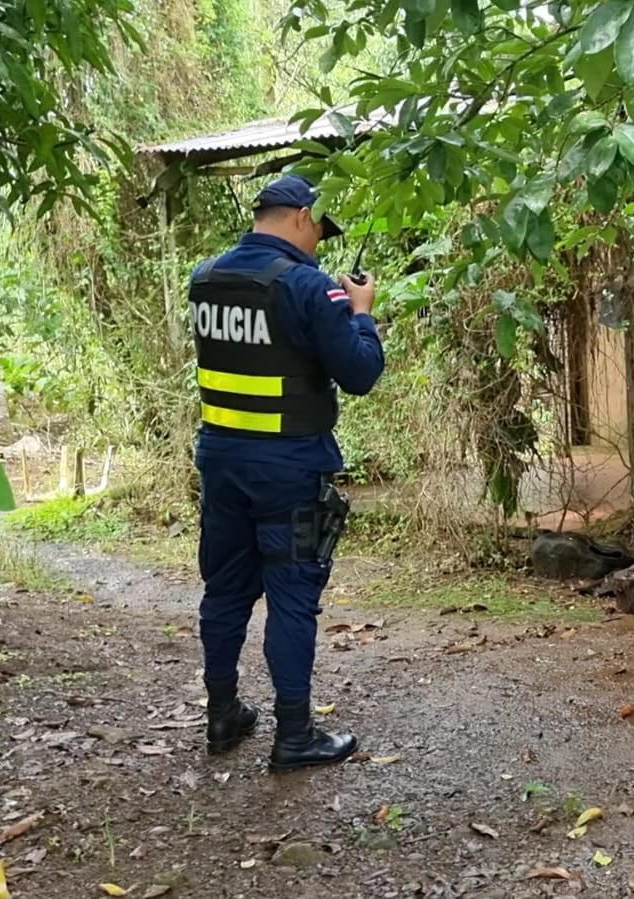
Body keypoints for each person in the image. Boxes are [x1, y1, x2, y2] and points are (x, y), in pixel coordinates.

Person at [189, 173, 384, 771]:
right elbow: (360, 373)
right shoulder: (308, 287)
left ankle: (222, 713)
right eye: (320, 231)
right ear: (301, 216)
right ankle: (294, 735)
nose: (320, 244)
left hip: (221, 462)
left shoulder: (206, 279)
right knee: (293, 597)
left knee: (224, 590)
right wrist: (362, 314)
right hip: (289, 468)